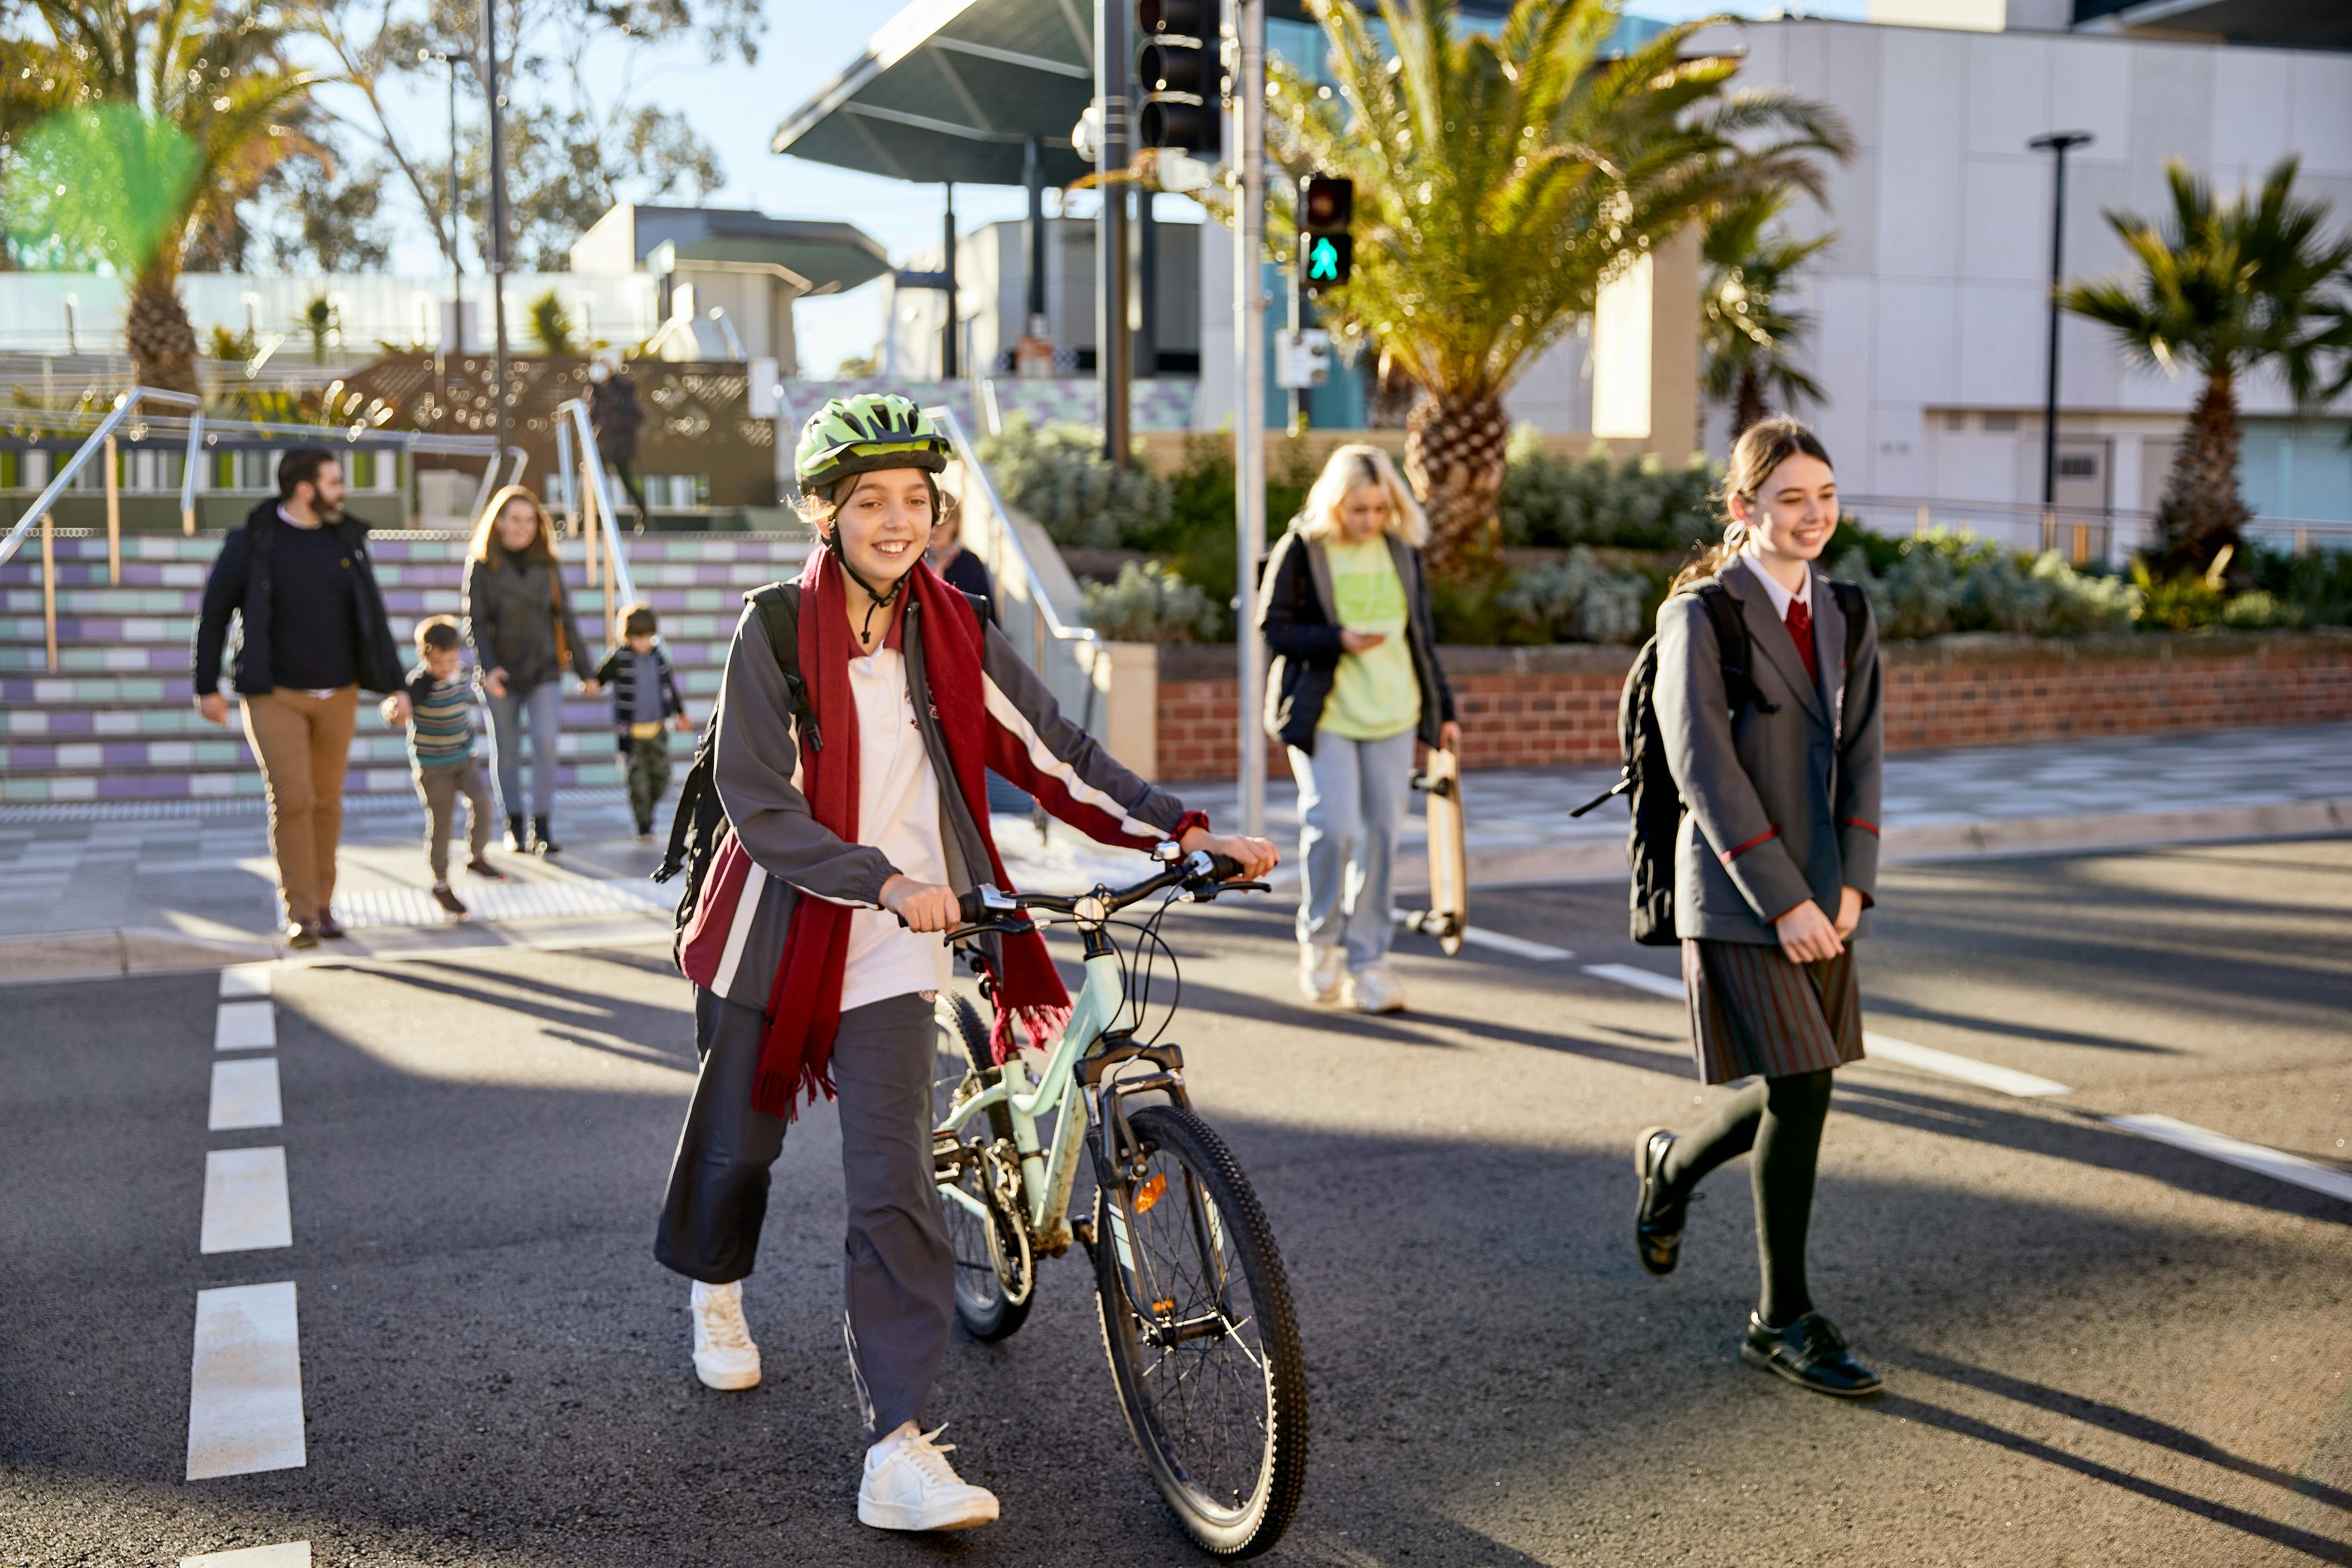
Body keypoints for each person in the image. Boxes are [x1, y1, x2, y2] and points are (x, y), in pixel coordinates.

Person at [653, 393, 1277, 1534]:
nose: (900, 521)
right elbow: (756, 800)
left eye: (916, 500)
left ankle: (895, 1445)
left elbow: (1052, 749)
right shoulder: (772, 630)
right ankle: (717, 1285)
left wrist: (1175, 830)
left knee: (893, 1186)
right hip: (776, 928)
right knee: (741, 1143)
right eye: (870, 502)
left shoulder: (949, 623)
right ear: (824, 514)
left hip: (897, 946)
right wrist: (882, 875)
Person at [1630, 415, 1887, 1399]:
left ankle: (1669, 1166)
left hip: (1828, 890)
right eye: (1791, 499)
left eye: (1825, 496)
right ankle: (1781, 1317)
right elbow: (1704, 769)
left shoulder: (1850, 612)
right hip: (1740, 894)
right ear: (1744, 507)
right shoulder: (1702, 615)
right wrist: (1783, 901)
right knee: (1808, 1083)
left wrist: (1853, 881)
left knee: (1796, 1082)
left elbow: (1865, 753)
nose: (1814, 515)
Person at [1257, 444, 1459, 1014]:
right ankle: (1319, 941)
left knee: (1381, 840)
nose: (1368, 520)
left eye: (1377, 508)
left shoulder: (1399, 549)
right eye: (1357, 510)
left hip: (1395, 713)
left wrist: (1443, 712)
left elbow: (1421, 635)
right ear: (1334, 502)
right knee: (1334, 826)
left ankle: (1369, 961)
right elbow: (1273, 628)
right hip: (1328, 714)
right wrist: (1338, 639)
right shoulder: (1304, 546)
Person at [191, 448, 409, 950]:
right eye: (335, 482)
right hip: (275, 694)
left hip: (339, 691)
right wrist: (206, 685)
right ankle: (302, 912)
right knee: (293, 799)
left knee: (327, 802)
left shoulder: (345, 539)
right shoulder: (253, 541)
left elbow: (372, 615)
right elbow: (215, 613)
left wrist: (396, 684)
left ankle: (326, 904)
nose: (343, 491)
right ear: (305, 488)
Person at [461, 485, 598, 855]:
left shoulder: (547, 565)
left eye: (529, 520)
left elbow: (564, 615)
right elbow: (476, 622)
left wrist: (586, 670)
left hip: (544, 670)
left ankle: (544, 825)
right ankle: (515, 825)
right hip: (500, 674)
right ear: (500, 523)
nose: (522, 527)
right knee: (505, 750)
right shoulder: (482, 564)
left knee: (546, 744)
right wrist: (489, 669)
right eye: (514, 519)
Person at [390, 615, 505, 917]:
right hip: (433, 766)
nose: (446, 668)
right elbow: (399, 706)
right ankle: (441, 883)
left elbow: (479, 679)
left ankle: (476, 855)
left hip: (464, 758)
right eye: (439, 662)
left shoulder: (463, 672)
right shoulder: (419, 684)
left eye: (451, 660)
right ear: (424, 657)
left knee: (482, 802)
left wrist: (492, 682)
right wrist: (393, 712)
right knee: (441, 823)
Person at [592, 602, 691, 840]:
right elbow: (599, 678)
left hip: (657, 729)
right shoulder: (619, 657)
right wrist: (590, 682)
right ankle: (644, 825)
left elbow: (669, 688)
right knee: (638, 783)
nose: (643, 643)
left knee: (662, 777)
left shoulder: (658, 657)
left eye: (648, 637)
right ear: (627, 636)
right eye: (638, 638)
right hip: (632, 733)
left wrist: (680, 713)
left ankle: (648, 807)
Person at [587, 354, 651, 532]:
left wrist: (612, 423)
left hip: (620, 446)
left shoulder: (623, 389)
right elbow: (592, 416)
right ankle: (588, 521)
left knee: (627, 481)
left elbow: (635, 416)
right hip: (601, 445)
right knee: (593, 482)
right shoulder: (595, 391)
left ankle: (644, 516)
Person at [924, 489, 998, 625]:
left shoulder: (970, 563)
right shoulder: (913, 560)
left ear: (956, 524)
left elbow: (987, 617)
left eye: (943, 524)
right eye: (931, 523)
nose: (934, 530)